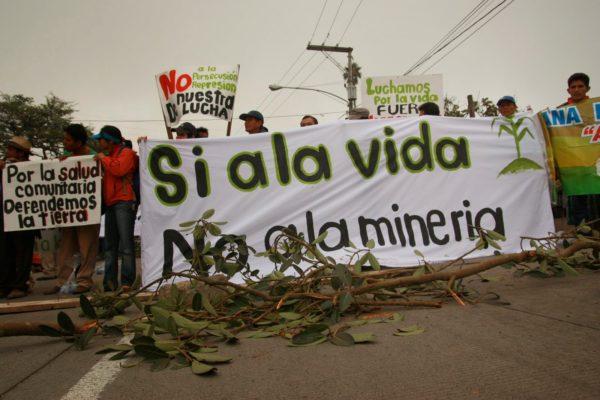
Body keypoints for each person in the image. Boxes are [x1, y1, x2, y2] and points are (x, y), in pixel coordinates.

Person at [45, 124, 100, 295]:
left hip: (87, 211)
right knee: (66, 248)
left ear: (78, 141)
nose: (65, 142)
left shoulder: (93, 157)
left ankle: (84, 280)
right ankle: (63, 281)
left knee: (87, 246)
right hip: (69, 212)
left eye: (68, 139)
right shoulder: (66, 158)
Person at [92, 125, 137, 291]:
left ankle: (127, 282)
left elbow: (119, 169)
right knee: (110, 246)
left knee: (125, 245)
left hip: (124, 202)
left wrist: (103, 158)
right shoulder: (107, 156)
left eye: (101, 140)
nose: (99, 143)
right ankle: (109, 284)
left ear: (109, 141)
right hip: (111, 203)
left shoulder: (127, 153)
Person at [557, 73, 599, 227]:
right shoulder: (560, 112)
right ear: (568, 90)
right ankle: (580, 241)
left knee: (596, 207)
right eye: (573, 87)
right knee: (577, 210)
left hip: (594, 169)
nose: (577, 89)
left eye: (580, 86)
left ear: (587, 88)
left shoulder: (596, 108)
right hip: (573, 170)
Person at [0, 136, 37, 299]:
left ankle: (20, 285)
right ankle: (5, 284)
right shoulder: (3, 166)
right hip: (5, 214)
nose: (7, 152)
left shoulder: (31, 167)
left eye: (11, 149)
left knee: (22, 251)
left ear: (20, 153)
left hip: (24, 216)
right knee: (5, 251)